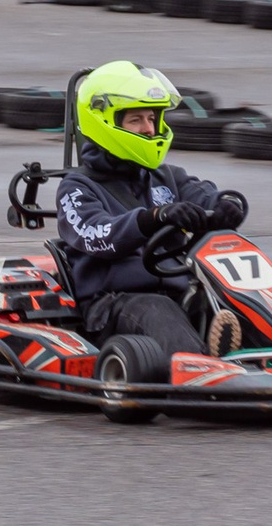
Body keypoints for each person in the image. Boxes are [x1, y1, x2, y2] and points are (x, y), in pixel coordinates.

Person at [55, 60, 247, 355]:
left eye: (152, 119)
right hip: (114, 304)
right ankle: (201, 367)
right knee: (158, 309)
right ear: (104, 123)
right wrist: (152, 219)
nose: (148, 129)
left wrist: (227, 205)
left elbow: (203, 194)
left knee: (234, 296)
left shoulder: (166, 176)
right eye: (136, 120)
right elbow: (98, 234)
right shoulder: (77, 187)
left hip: (179, 290)